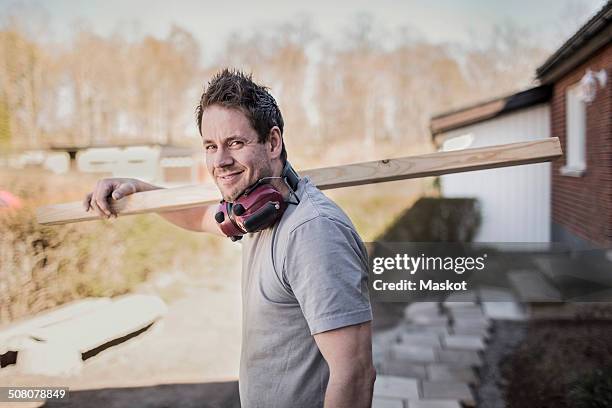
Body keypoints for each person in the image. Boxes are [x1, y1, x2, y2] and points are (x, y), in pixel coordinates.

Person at [83, 68, 376, 408]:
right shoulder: (256, 214)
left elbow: (354, 375)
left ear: (273, 142)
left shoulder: (311, 231)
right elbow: (197, 215)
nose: (220, 161)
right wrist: (135, 188)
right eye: (210, 146)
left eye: (235, 143)